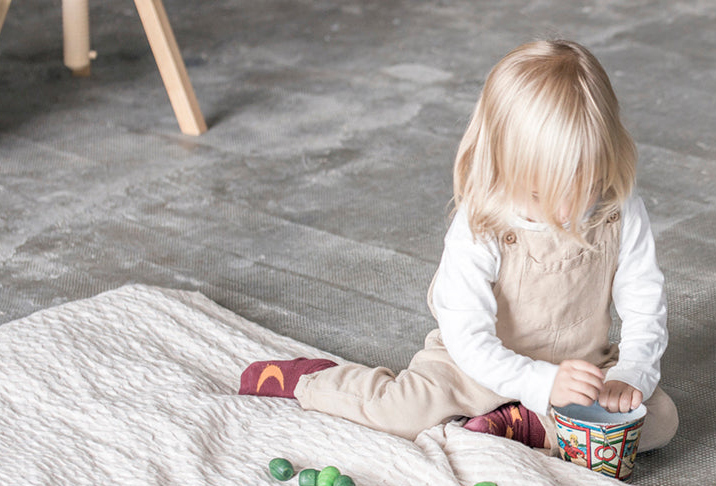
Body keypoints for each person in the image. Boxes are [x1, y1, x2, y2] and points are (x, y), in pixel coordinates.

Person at [239, 39, 678, 454]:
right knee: (402, 411)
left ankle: (522, 422)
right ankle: (312, 381)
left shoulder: (619, 210)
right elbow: (468, 339)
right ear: (503, 166)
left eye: (586, 184)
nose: (566, 210)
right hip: (478, 364)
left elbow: (645, 306)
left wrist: (629, 375)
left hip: (579, 367)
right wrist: (541, 384)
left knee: (659, 420)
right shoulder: (483, 222)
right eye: (543, 194)